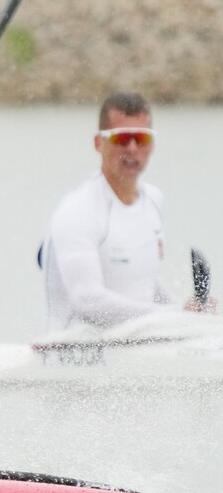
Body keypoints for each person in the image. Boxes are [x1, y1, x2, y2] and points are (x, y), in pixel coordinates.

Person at [40, 91, 212, 331]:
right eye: (121, 139)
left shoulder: (153, 200)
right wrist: (172, 315)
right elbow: (88, 301)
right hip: (75, 357)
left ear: (151, 145)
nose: (132, 149)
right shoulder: (77, 211)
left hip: (136, 348)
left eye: (141, 138)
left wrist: (186, 312)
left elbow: (144, 282)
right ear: (99, 143)